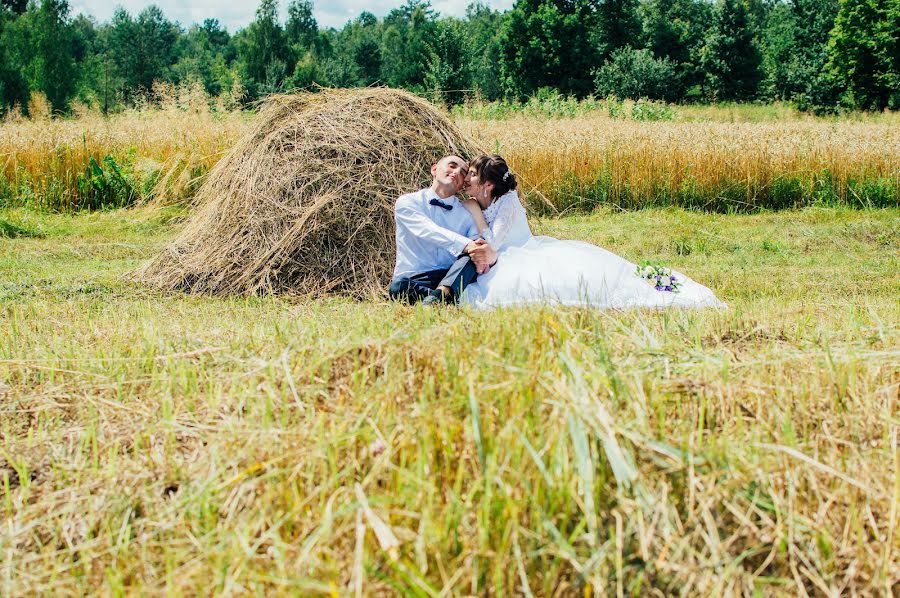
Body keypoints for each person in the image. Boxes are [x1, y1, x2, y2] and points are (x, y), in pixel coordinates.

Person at [457, 154, 726, 310]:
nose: (465, 178)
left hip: (521, 254)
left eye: (471, 175)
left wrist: (476, 213)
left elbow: (493, 242)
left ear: (488, 185)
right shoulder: (485, 199)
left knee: (591, 282)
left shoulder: (506, 204)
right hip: (511, 253)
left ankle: (666, 289)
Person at [388, 155, 497, 305]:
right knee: (397, 287)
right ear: (434, 170)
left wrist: (477, 248)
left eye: (463, 172)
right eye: (452, 166)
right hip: (417, 276)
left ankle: (442, 294)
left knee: (473, 253)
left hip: (454, 273)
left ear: (462, 185)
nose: (457, 172)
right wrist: (466, 245)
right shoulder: (407, 202)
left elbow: (476, 241)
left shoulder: (465, 213)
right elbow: (428, 230)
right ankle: (444, 297)